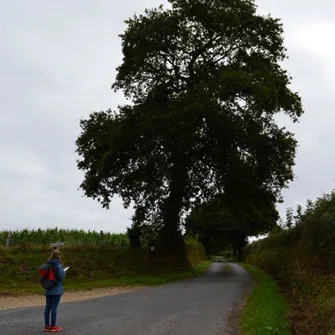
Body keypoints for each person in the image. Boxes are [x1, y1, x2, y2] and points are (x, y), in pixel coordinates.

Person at [44, 249, 65, 333]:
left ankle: (47, 325)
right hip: (56, 289)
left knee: (47, 307)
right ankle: (53, 326)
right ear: (59, 256)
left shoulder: (47, 264)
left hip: (48, 288)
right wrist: (64, 272)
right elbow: (61, 277)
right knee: (54, 307)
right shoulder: (58, 265)